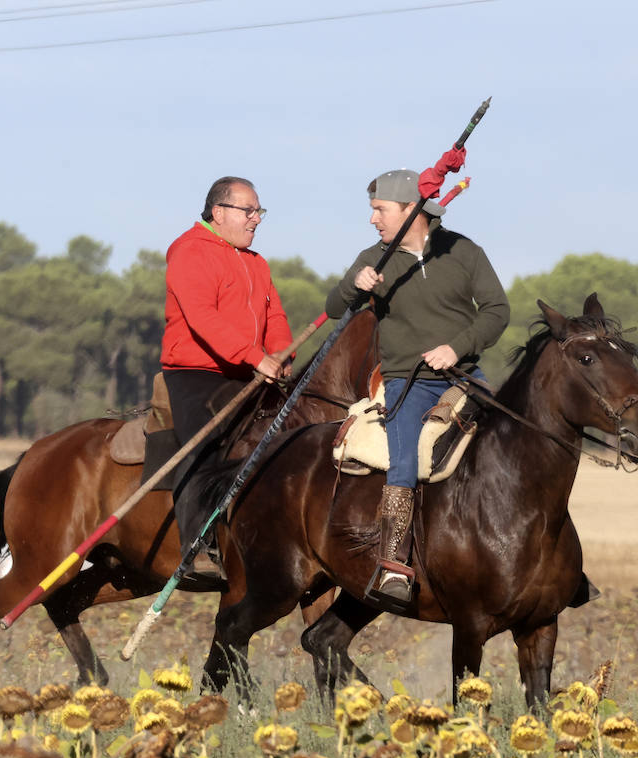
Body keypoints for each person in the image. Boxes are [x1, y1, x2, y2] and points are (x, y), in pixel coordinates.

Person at [324, 169, 509, 609]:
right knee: (403, 461)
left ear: (411, 211)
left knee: (522, 448)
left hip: (466, 378)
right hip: (408, 384)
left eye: (380, 210)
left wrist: (457, 347)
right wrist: (356, 284)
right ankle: (393, 566)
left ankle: (555, 564)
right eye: (373, 211)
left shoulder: (465, 251)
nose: (373, 220)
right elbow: (334, 307)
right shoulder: (375, 257)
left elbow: (497, 311)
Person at [162, 176, 293, 579]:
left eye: (259, 212)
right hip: (196, 372)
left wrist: (283, 356)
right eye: (248, 210)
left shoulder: (257, 262)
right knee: (204, 445)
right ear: (219, 212)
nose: (256, 219)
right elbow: (204, 318)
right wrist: (256, 357)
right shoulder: (188, 251)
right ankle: (195, 548)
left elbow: (275, 315)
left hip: (251, 372)